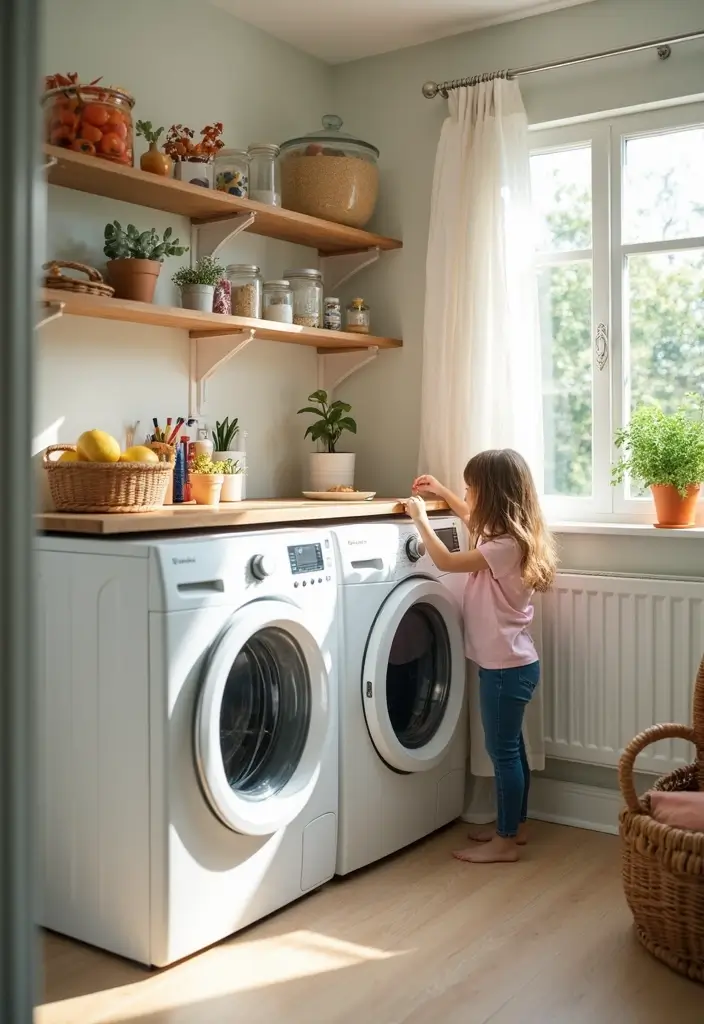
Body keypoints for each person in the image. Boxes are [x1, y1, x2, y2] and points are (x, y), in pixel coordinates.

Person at [406, 449, 557, 864]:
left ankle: (505, 841)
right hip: (513, 664)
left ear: (490, 494)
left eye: (471, 489)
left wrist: (420, 518)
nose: (467, 495)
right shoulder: (506, 536)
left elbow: (448, 561)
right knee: (514, 749)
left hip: (506, 670)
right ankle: (517, 825)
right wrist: (441, 491)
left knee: (503, 750)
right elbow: (472, 518)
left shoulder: (503, 547)